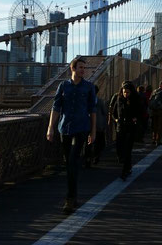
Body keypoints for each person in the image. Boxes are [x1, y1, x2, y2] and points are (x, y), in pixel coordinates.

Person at [46, 57, 96, 214]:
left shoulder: (89, 87)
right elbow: (56, 107)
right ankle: (73, 196)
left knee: (73, 160)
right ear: (72, 69)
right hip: (65, 128)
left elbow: (92, 111)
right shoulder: (63, 86)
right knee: (69, 164)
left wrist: (93, 132)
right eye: (80, 67)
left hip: (81, 128)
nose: (83, 70)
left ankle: (69, 199)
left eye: (84, 68)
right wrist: (50, 128)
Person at [110, 81, 142, 180]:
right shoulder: (119, 98)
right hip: (120, 126)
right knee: (120, 147)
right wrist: (115, 119)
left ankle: (126, 170)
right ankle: (125, 164)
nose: (125, 94)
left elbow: (141, 112)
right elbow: (114, 111)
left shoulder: (135, 100)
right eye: (124, 92)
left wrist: (135, 118)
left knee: (128, 149)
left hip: (130, 127)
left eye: (127, 92)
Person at [85, 85, 107, 168]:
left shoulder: (85, 101)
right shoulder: (100, 101)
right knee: (97, 143)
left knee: (88, 143)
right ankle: (94, 157)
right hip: (98, 125)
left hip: (88, 125)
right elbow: (104, 112)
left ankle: (88, 159)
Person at [148, 80, 162, 146]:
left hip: (154, 111)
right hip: (161, 111)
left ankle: (154, 139)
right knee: (159, 126)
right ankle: (158, 140)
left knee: (154, 126)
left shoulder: (154, 91)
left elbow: (150, 100)